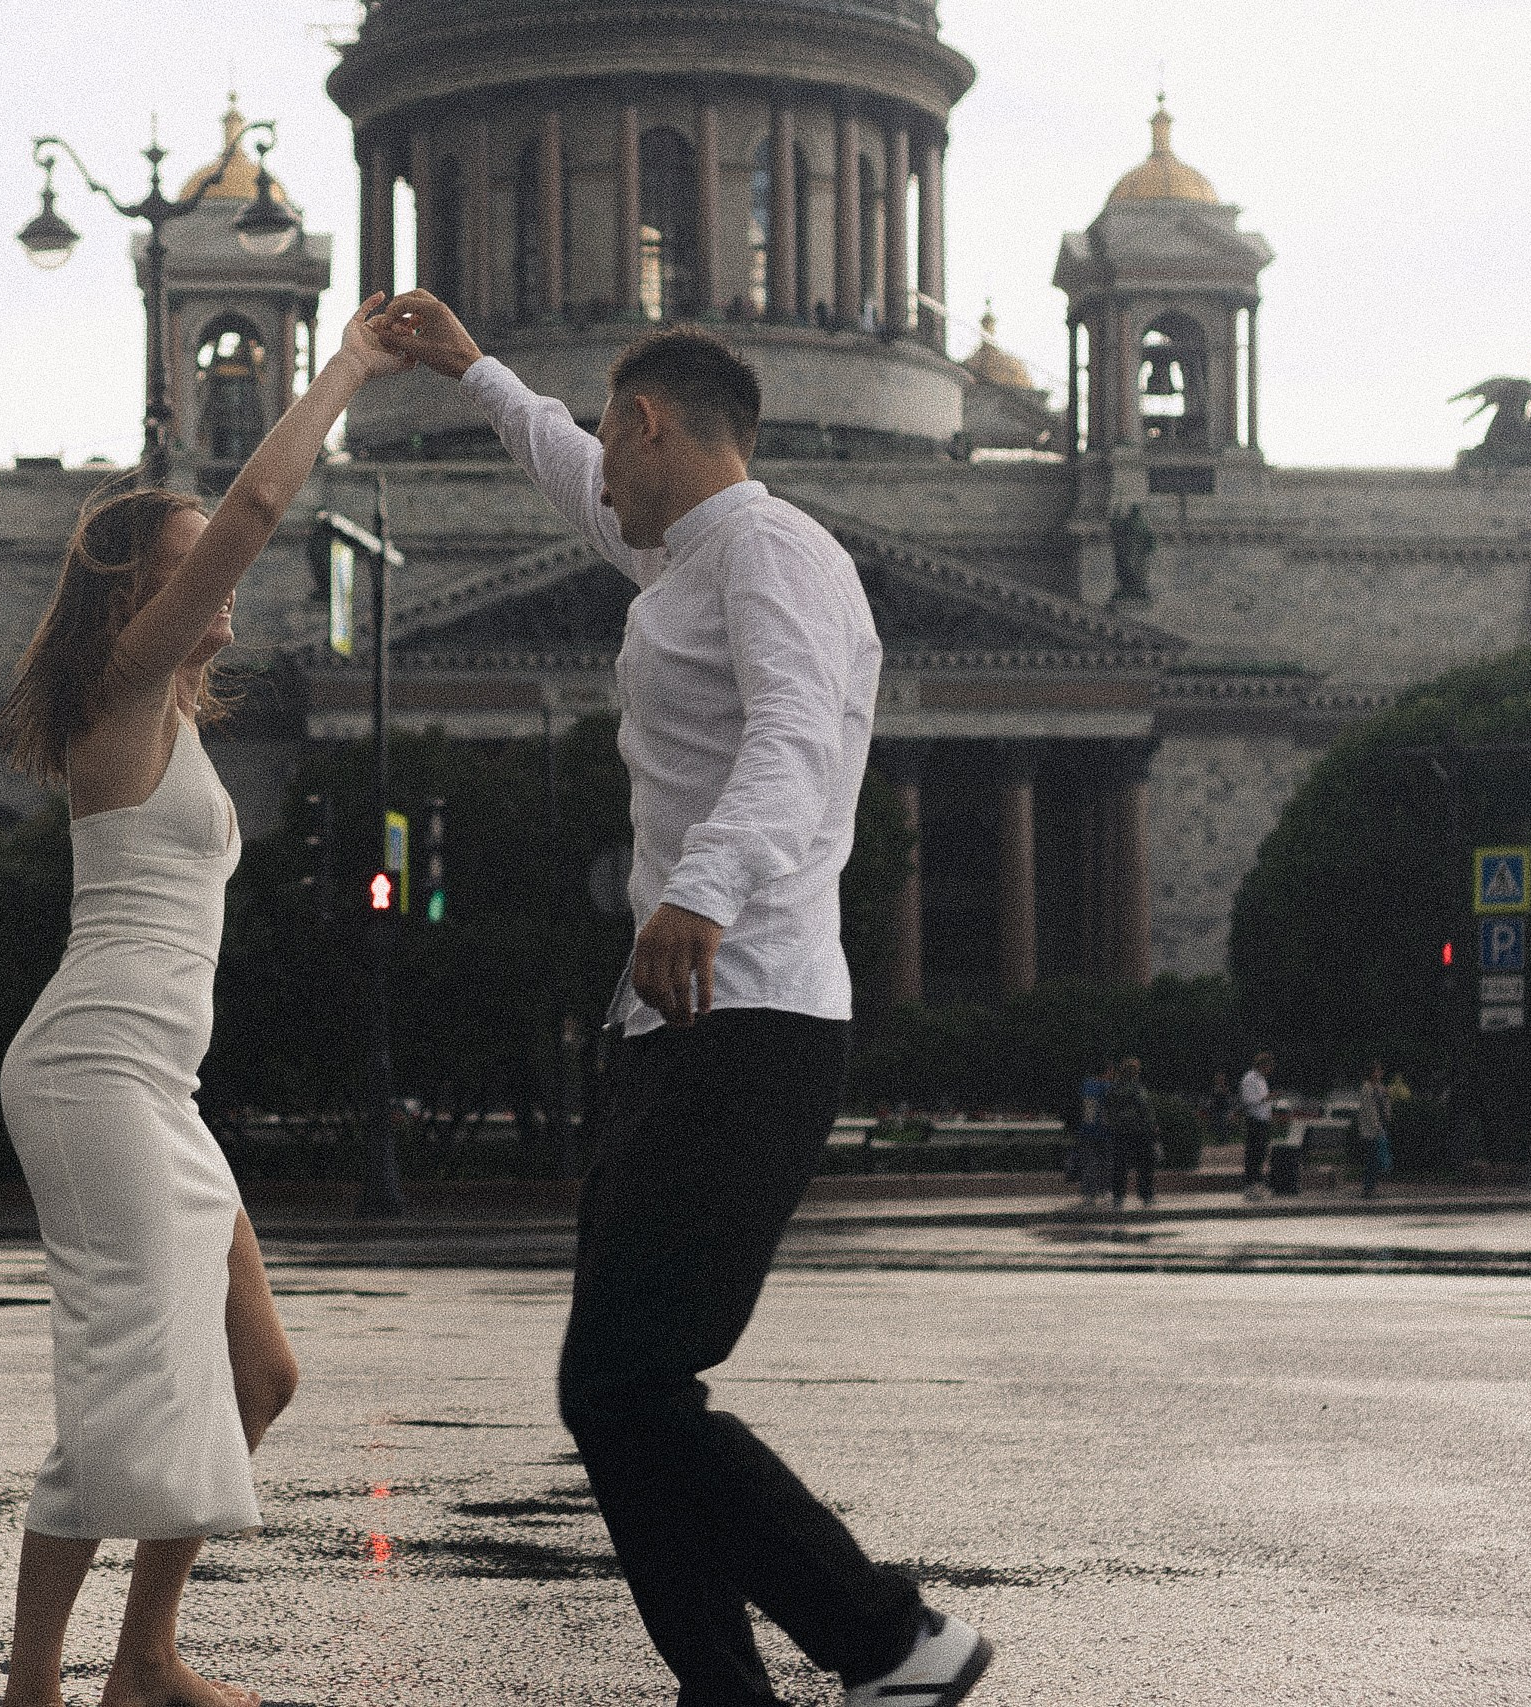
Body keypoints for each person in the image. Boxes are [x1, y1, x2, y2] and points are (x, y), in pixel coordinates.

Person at [375, 289, 991, 1707]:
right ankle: (723, 1686)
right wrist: (476, 372)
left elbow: (791, 737)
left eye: (606, 432)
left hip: (754, 1006)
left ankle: (893, 1637)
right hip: (680, 1020)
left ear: (646, 423)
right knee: (617, 1393)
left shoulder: (773, 550)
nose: (595, 461)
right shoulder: (688, 558)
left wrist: (700, 885)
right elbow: (562, 471)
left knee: (630, 1382)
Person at [0, 294, 406, 1707]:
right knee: (117, 1403)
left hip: (155, 1085)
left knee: (263, 1372)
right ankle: (35, 1689)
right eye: (192, 567)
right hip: (94, 1068)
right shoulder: (125, 688)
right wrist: (345, 364)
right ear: (137, 600)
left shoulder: (171, 719)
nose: (227, 577)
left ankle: (147, 1654)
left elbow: (231, 526)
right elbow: (256, 501)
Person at [1106, 1057, 1158, 1210]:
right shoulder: (1137, 1088)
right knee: (1144, 1164)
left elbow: (1109, 1108)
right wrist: (1152, 1126)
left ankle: (1118, 1197)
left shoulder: (1114, 1088)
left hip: (1119, 1132)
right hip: (1139, 1131)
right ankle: (1146, 1195)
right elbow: (1145, 1108)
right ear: (1135, 1072)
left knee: (1119, 1165)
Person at [1075, 1057, 1113, 1210]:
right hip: (1104, 1131)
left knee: (1089, 1163)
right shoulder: (1108, 1087)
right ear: (1106, 1071)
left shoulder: (1086, 1085)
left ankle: (1088, 1193)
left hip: (1086, 1130)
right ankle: (1105, 1191)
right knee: (1106, 1163)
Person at [1239, 1049, 1275, 1203]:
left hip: (1263, 1120)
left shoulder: (1261, 1079)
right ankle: (1250, 1184)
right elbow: (1248, 1100)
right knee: (1253, 1154)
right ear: (1262, 1065)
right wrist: (1266, 1098)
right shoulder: (1250, 1079)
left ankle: (1257, 1183)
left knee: (1260, 1153)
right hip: (1254, 1120)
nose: (1270, 1070)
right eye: (1269, 1066)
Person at [1357, 1060, 1393, 1198]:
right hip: (1370, 1130)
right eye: (1376, 1071)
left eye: (1380, 1071)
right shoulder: (1366, 1088)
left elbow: (1385, 1104)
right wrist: (1376, 1125)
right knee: (1371, 1159)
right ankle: (1368, 1188)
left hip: (1380, 1128)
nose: (1379, 1074)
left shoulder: (1380, 1087)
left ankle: (1372, 1187)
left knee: (1376, 1159)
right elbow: (1369, 1109)